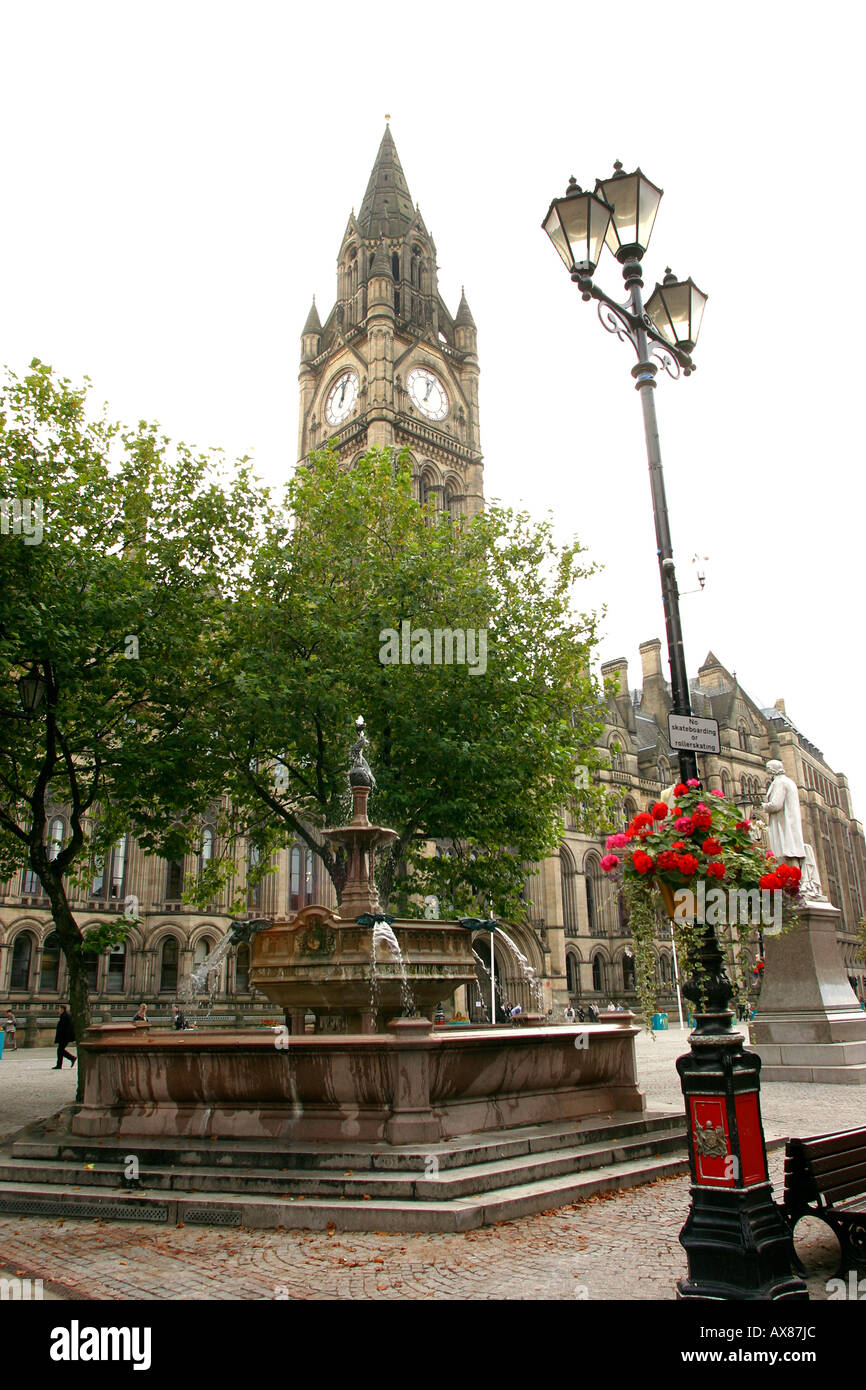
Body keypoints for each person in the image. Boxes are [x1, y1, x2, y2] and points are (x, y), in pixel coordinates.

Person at [53, 1005, 76, 1069]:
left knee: (60, 1050)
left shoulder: (65, 1016)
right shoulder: (64, 1016)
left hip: (64, 1037)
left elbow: (65, 1028)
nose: (58, 1010)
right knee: (60, 1050)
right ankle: (60, 1064)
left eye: (59, 1009)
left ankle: (71, 1058)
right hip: (64, 1037)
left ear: (62, 1009)